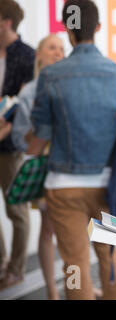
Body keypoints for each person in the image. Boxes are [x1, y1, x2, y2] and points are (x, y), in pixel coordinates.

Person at [27, 0, 116, 300]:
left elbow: (37, 140)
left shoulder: (51, 76)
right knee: (110, 262)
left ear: (67, 28)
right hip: (111, 187)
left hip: (64, 188)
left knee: (75, 265)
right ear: (99, 28)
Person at [0, 34, 64, 298]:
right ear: (38, 54)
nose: (58, 52)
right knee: (49, 229)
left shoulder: (71, 86)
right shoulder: (28, 92)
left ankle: (77, 286)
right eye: (51, 47)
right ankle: (51, 291)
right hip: (45, 169)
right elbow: (20, 138)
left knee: (74, 232)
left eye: (62, 48)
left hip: (71, 169)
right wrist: (39, 134)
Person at [0, 0, 35, 290]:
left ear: (6, 21)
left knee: (16, 210)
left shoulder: (27, 57)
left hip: (10, 147)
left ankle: (16, 269)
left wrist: (6, 130)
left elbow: (26, 108)